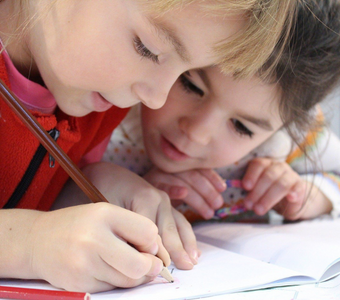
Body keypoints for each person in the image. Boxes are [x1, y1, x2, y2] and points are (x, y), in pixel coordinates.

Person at [0, 0, 297, 293]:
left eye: (184, 73)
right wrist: (30, 243)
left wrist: (84, 190)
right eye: (148, 49)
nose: (156, 99)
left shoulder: (99, 103)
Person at [103, 0, 340, 223]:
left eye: (242, 127)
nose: (197, 133)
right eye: (191, 86)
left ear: (287, 126)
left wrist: (305, 196)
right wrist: (121, 191)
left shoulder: (287, 141)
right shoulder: (108, 105)